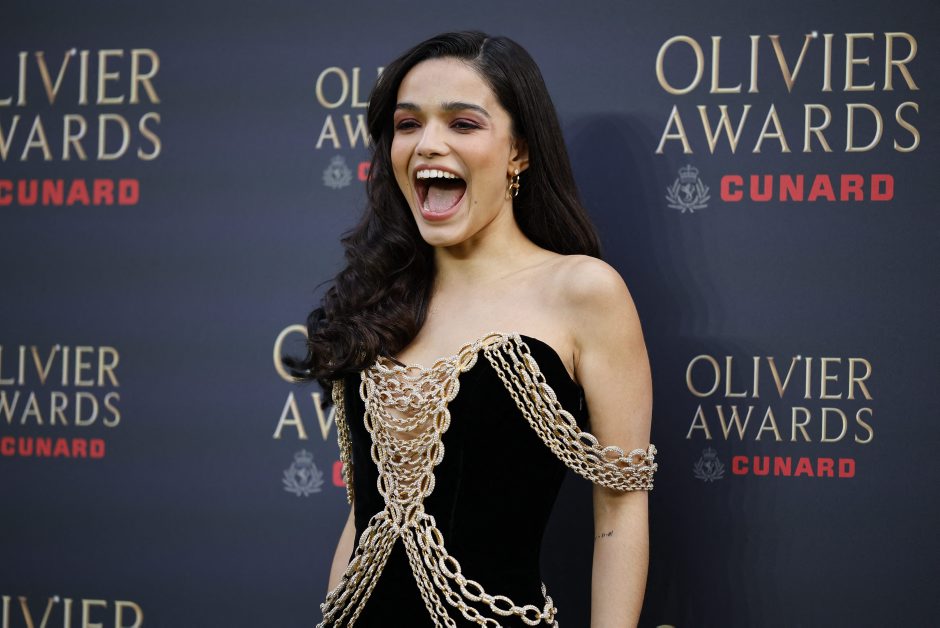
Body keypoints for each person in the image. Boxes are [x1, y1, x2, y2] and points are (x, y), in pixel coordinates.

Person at [288, 31, 656, 627]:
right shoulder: (380, 295)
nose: (428, 144)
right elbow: (362, 518)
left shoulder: (583, 292)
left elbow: (620, 511)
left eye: (462, 124)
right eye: (408, 125)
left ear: (520, 152)